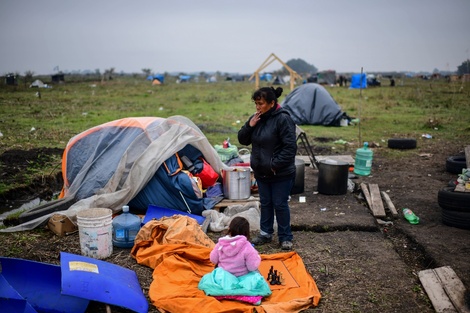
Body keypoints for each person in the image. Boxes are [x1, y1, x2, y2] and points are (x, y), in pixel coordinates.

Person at [238, 87, 297, 250]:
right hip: (262, 172)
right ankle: (265, 233)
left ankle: (285, 237)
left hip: (280, 173)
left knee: (280, 203)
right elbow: (242, 140)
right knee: (265, 203)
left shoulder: (283, 119)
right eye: (256, 104)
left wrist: (273, 165)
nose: (257, 107)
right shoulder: (257, 118)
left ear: (272, 103)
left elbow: (290, 148)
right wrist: (250, 126)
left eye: (261, 104)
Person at [198, 217, 271, 305]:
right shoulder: (247, 246)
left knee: (216, 274)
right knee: (257, 278)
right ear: (246, 232)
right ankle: (245, 295)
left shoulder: (221, 243)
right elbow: (252, 267)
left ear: (229, 228)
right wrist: (257, 257)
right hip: (243, 279)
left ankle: (223, 293)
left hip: (223, 279)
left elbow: (213, 260)